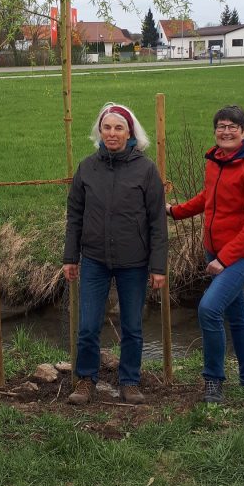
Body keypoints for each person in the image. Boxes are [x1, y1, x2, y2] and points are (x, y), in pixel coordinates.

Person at [167, 105, 244, 404]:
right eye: (221, 126)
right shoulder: (215, 161)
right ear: (215, 130)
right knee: (238, 318)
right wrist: (176, 212)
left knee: (209, 309)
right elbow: (208, 198)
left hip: (243, 256)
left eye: (233, 127)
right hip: (214, 251)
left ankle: (213, 380)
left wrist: (225, 259)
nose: (226, 131)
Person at [63, 103, 168, 405]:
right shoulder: (87, 167)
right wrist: (71, 258)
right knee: (87, 325)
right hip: (94, 258)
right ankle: (85, 380)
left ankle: (130, 381)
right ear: (100, 130)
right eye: (106, 127)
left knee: (132, 326)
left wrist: (157, 266)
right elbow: (75, 216)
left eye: (118, 128)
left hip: (133, 262)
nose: (111, 133)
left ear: (129, 132)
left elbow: (157, 222)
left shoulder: (145, 170)